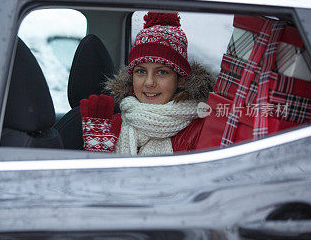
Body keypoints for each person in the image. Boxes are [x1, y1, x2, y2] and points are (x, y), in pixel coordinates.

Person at [80, 12, 214, 155]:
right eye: (141, 71)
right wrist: (98, 155)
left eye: (162, 72)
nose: (149, 82)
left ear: (180, 79)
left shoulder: (202, 129)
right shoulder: (110, 125)